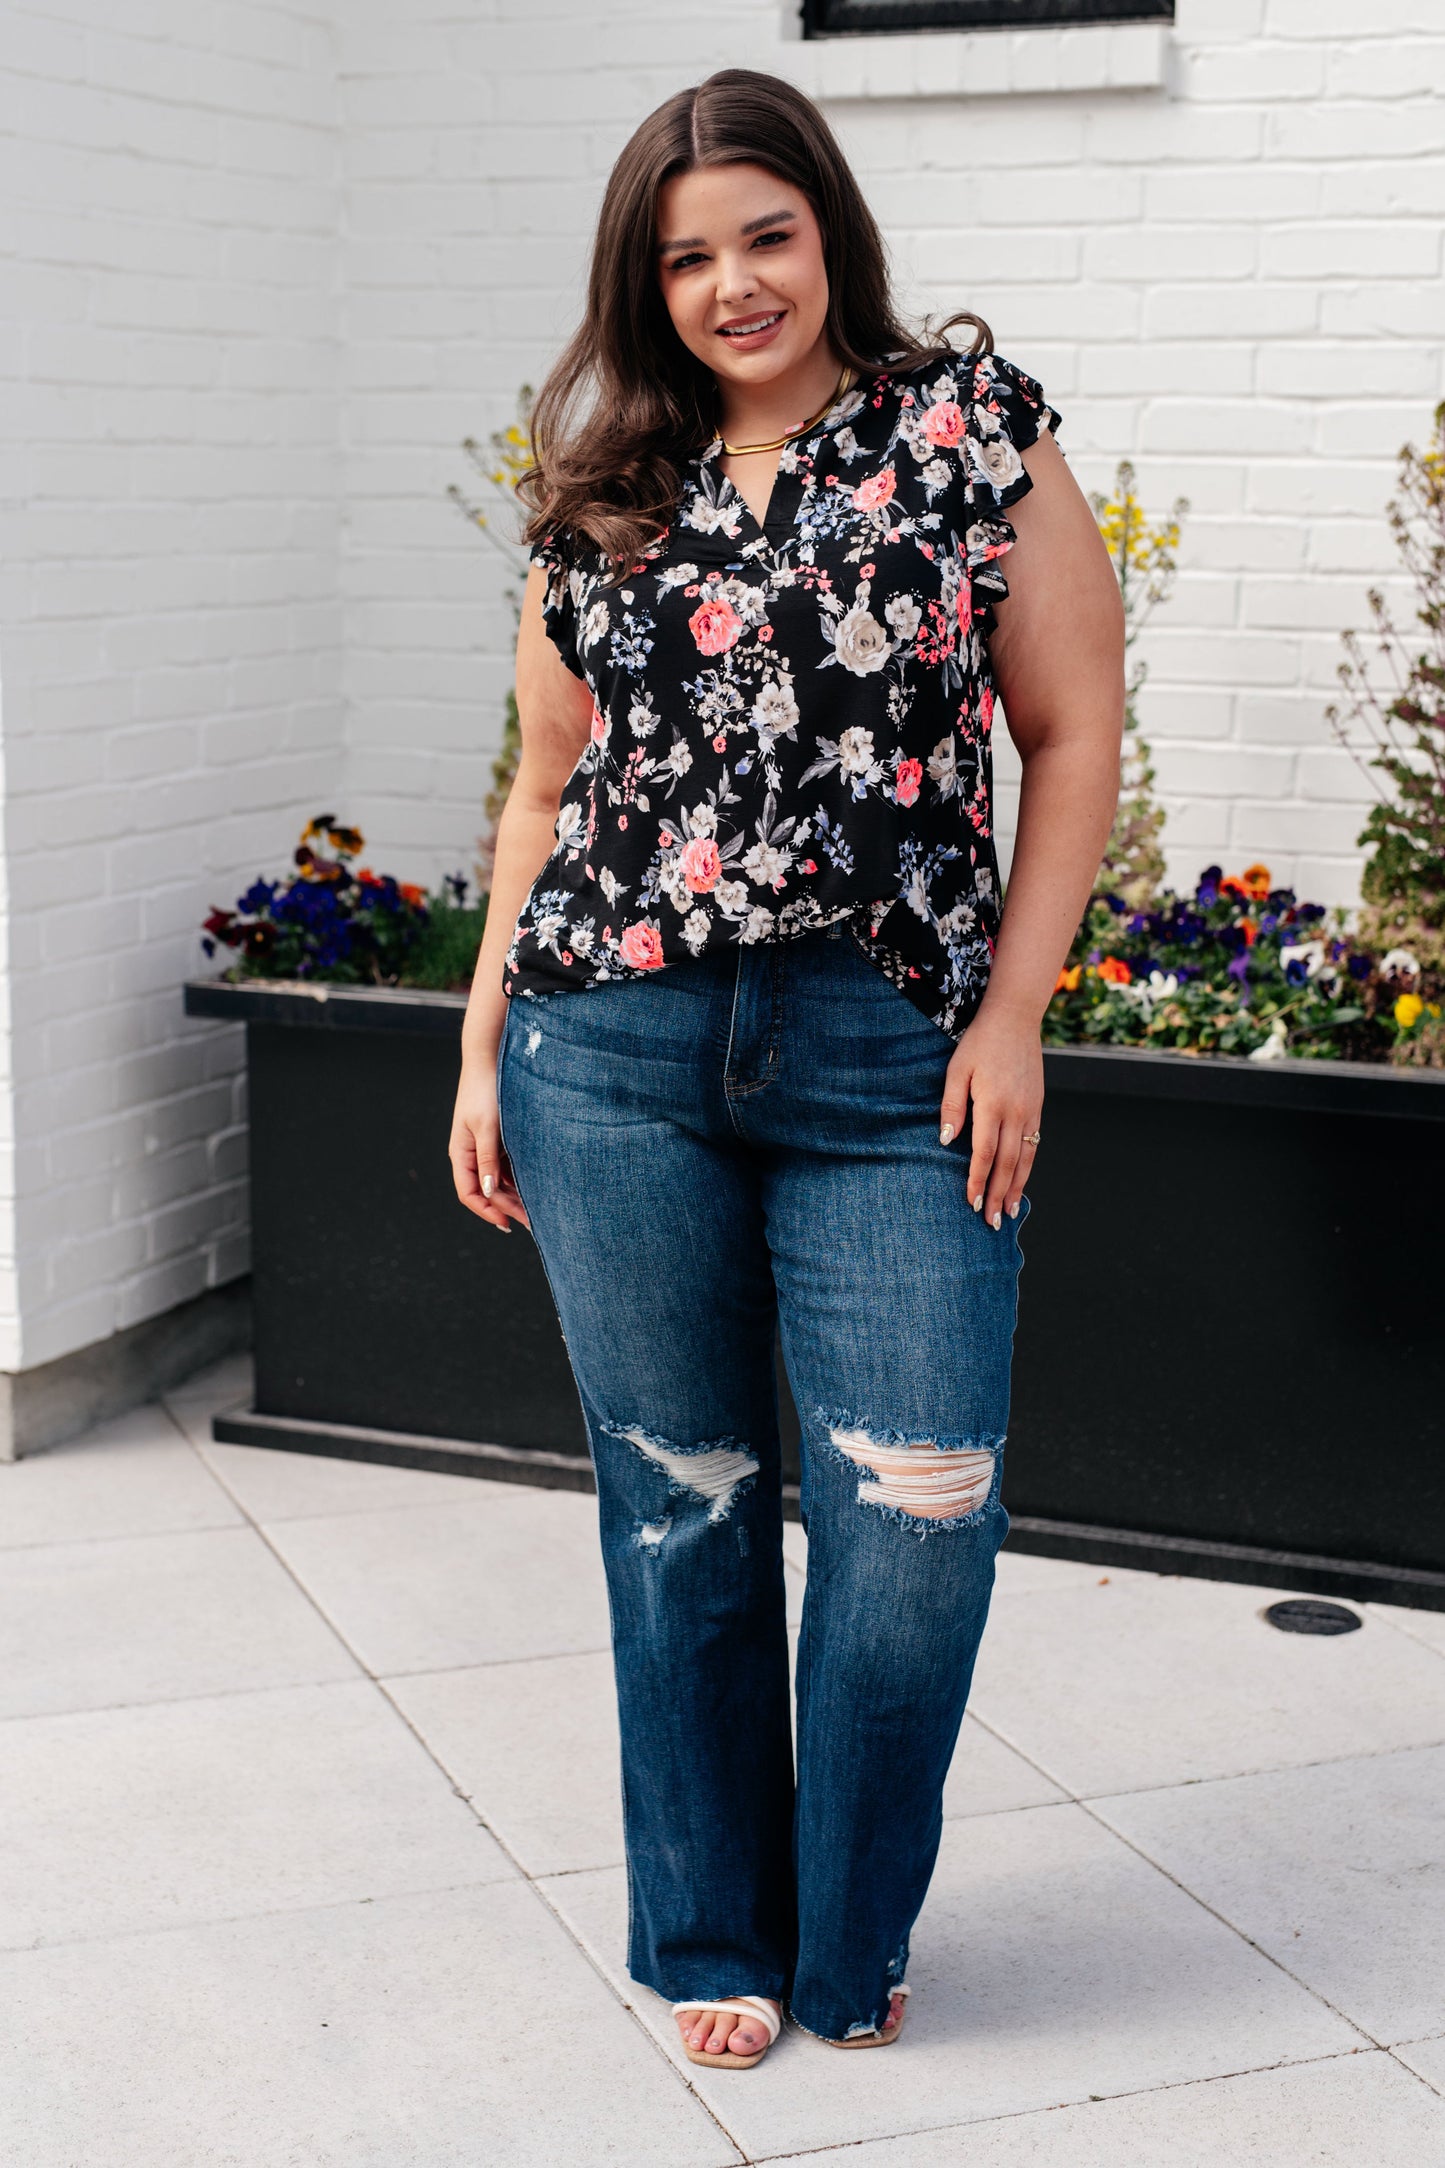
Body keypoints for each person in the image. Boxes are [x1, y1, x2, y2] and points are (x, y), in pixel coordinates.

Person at [449, 66, 1123, 2068]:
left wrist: (1012, 1011)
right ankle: (716, 1935)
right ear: (640, 285)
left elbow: (1072, 732)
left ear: (828, 228)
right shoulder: (605, 500)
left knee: (915, 1524)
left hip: (889, 1061)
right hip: (613, 1053)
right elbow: (546, 789)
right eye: (685, 257)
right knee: (682, 1508)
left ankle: (853, 1923)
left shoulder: (969, 431)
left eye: (765, 234)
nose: (733, 283)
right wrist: (485, 1041)